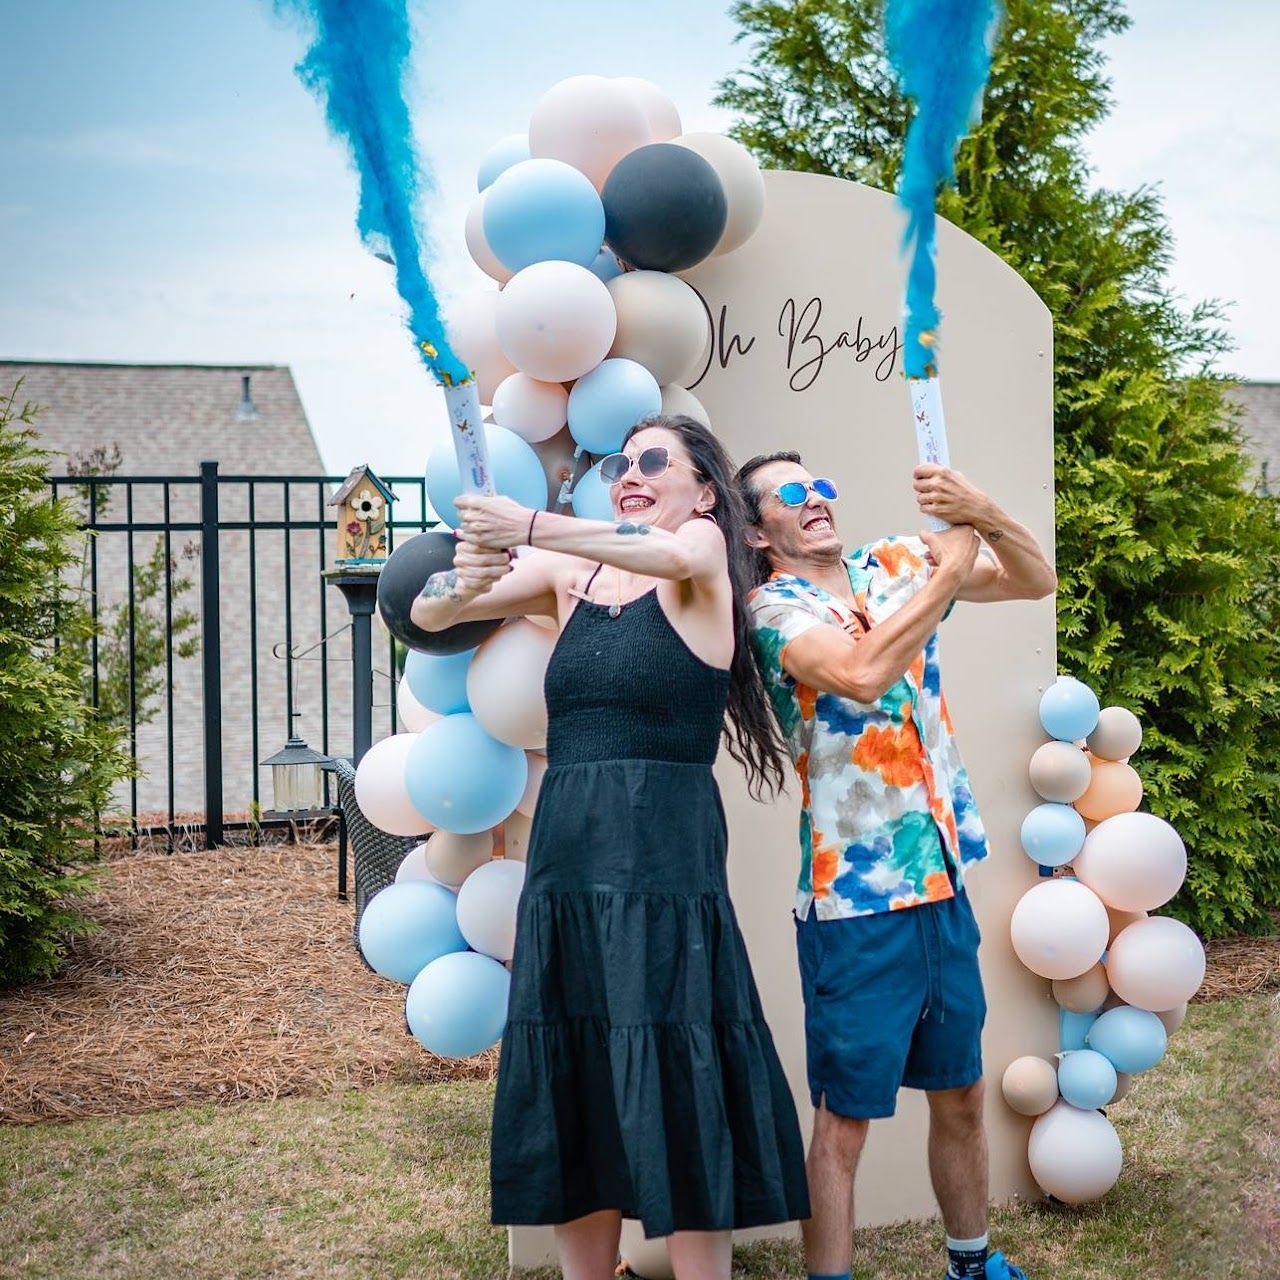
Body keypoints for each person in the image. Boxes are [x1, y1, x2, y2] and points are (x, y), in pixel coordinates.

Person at [411, 415, 809, 1280]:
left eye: (654, 460)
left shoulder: (699, 550)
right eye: (620, 462)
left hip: (665, 851)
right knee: (577, 1065)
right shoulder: (571, 572)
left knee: (680, 1052)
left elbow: (663, 556)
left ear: (704, 489)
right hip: (569, 851)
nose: (630, 472)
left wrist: (520, 525)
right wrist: (465, 574)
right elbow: (434, 612)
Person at [735, 451, 1056, 1280]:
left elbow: (1033, 578)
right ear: (756, 530)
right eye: (792, 494)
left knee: (962, 1093)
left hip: (941, 881)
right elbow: (862, 673)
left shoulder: (892, 564)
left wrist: (979, 508)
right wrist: (946, 577)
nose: (817, 501)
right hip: (853, 903)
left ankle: (972, 1263)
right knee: (843, 1125)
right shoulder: (772, 608)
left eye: (821, 485)